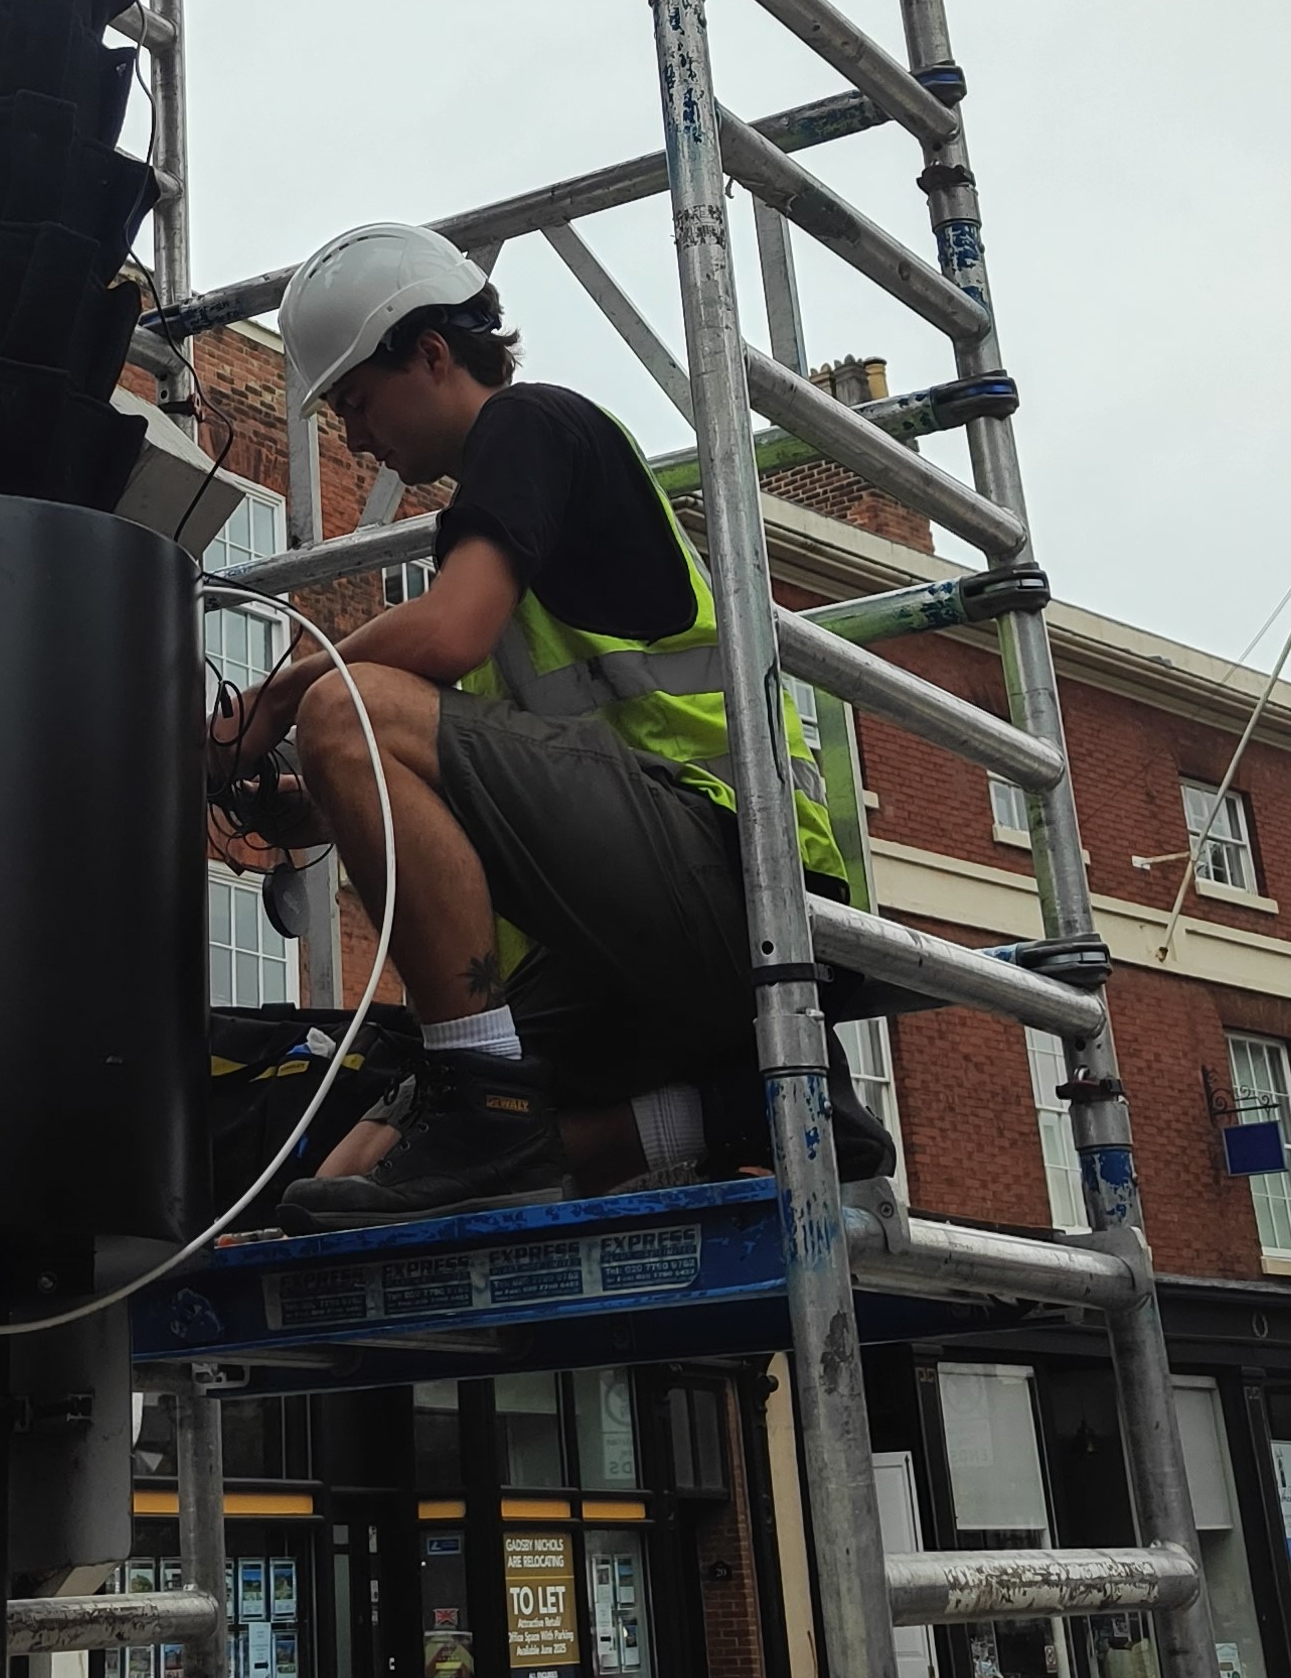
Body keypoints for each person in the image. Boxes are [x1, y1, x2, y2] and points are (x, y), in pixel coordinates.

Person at [211, 223, 885, 1230]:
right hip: (636, 920)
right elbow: (466, 776)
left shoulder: (532, 428)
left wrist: (282, 696)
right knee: (367, 1168)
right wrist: (296, 809)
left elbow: (430, 647)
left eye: (354, 402)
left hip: (728, 871)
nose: (353, 440)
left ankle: (487, 1094)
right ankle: (719, 1109)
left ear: (432, 353)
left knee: (343, 708)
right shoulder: (504, 586)